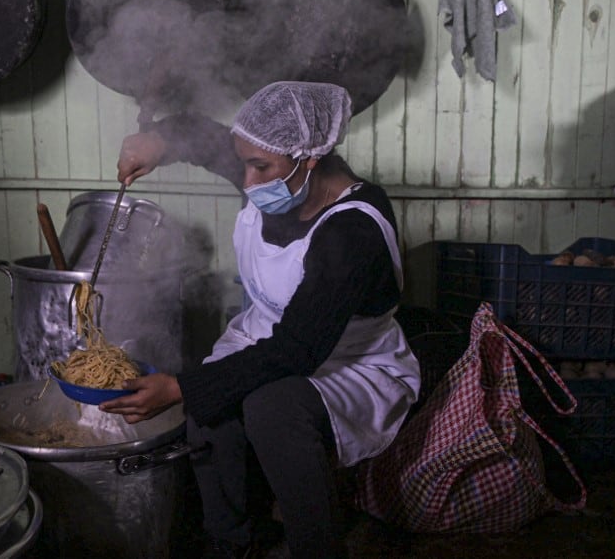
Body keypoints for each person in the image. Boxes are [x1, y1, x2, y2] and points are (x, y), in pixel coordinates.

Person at [100, 81, 421, 558]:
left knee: (271, 408)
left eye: (259, 167)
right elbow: (204, 136)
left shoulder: (352, 233)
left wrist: (182, 387)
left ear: (310, 157)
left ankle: (317, 547)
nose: (248, 181)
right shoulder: (280, 173)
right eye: (246, 163)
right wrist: (158, 142)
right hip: (266, 337)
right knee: (211, 412)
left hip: (350, 361)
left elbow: (298, 350)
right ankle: (233, 542)